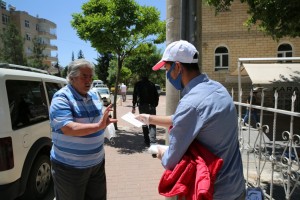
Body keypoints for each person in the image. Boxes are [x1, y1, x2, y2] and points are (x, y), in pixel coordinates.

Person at [135, 40, 245, 199]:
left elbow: (171, 160)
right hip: (236, 185)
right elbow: (183, 119)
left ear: (177, 67)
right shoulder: (218, 88)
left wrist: (158, 151)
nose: (167, 75)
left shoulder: (191, 103)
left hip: (215, 191)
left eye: (167, 69)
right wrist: (149, 118)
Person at [49, 59, 117, 200]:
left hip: (96, 164)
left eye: (90, 76)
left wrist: (105, 122)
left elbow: (98, 119)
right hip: (69, 168)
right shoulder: (61, 97)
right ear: (72, 77)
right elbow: (68, 128)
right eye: (84, 76)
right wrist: (99, 126)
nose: (89, 80)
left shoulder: (93, 94)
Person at [132, 76, 159, 146]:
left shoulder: (138, 84)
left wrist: (133, 106)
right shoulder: (152, 84)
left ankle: (146, 140)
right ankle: (153, 141)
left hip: (142, 106)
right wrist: (155, 105)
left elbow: (134, 95)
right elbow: (156, 96)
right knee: (152, 123)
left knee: (144, 123)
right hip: (151, 106)